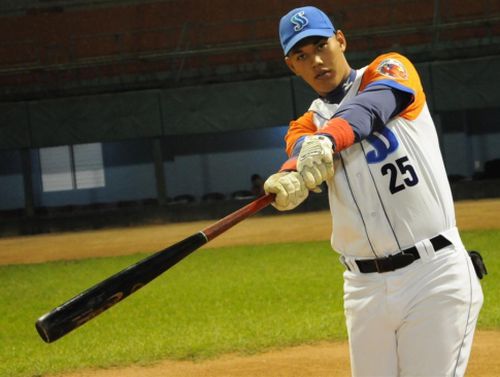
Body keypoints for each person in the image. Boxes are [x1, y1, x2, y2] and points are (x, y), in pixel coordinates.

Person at [263, 6, 484, 377]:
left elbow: (372, 106)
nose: (316, 60)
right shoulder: (305, 126)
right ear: (292, 66)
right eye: (302, 55)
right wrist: (289, 175)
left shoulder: (390, 70)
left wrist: (328, 140)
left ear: (341, 40)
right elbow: (301, 151)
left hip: (433, 275)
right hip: (363, 288)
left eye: (322, 45)